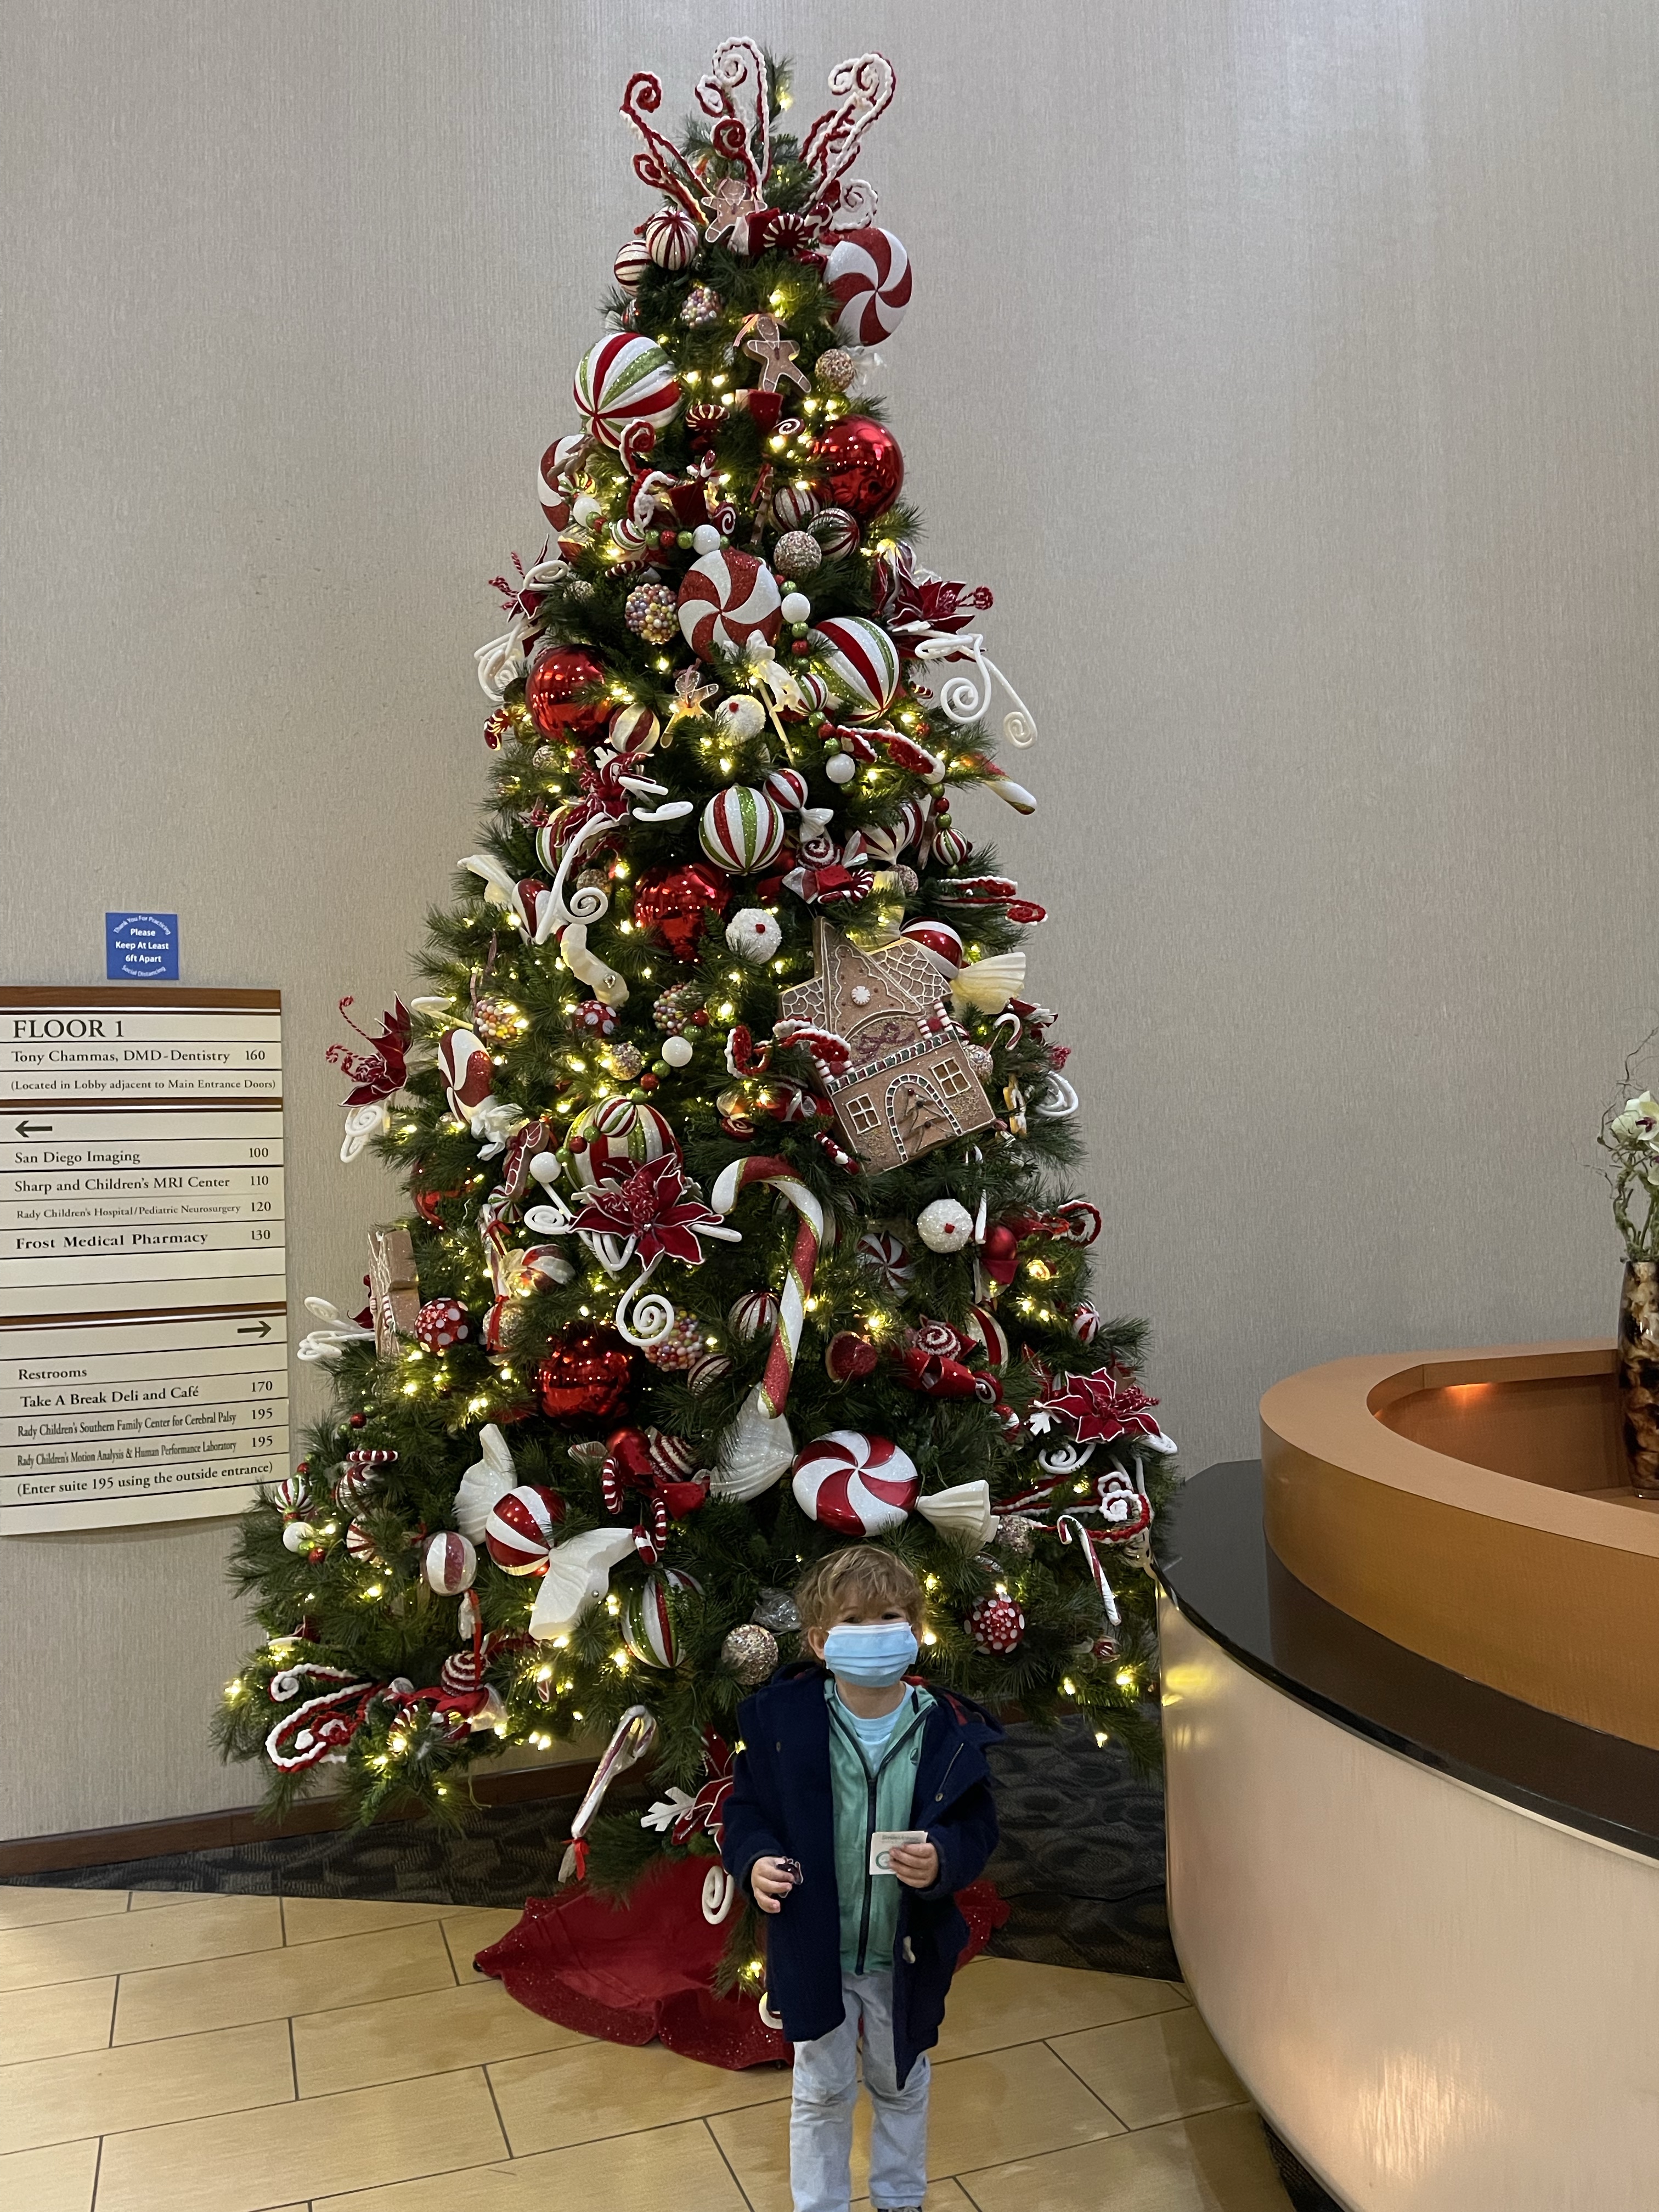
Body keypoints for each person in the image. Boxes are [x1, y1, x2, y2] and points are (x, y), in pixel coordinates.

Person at [720, 1545, 1002, 2212]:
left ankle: (900, 2198)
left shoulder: (945, 1730)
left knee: (900, 2079)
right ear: (820, 1642)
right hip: (816, 1946)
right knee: (821, 2089)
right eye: (853, 1620)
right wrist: (755, 1860)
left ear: (916, 1631)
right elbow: (746, 1810)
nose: (874, 1631)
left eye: (889, 1616)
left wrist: (943, 1857)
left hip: (903, 1951)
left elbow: (976, 1826)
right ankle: (820, 2204)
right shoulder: (785, 1724)